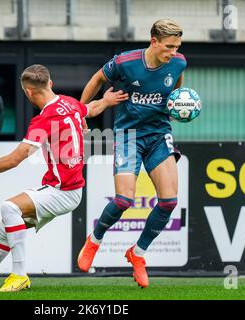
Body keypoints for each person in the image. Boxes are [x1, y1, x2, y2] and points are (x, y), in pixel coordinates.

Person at [0, 64, 128, 292]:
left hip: (62, 191)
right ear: (50, 84)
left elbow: (15, 159)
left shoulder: (43, 120)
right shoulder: (70, 103)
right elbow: (90, 109)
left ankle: (19, 275)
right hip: (66, 189)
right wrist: (106, 100)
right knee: (5, 227)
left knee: (9, 208)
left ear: (28, 93)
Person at [77, 19, 186, 288]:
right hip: (128, 135)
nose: (173, 52)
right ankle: (95, 239)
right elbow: (98, 79)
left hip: (159, 134)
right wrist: (81, 111)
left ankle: (137, 254)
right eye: (169, 47)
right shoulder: (126, 62)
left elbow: (177, 89)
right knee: (124, 200)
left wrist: (180, 106)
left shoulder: (179, 62)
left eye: (177, 47)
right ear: (154, 42)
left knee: (169, 202)